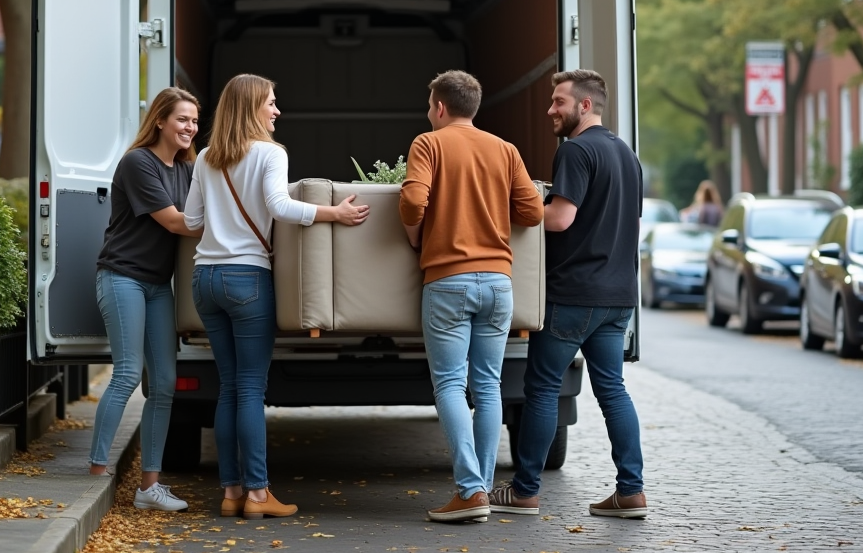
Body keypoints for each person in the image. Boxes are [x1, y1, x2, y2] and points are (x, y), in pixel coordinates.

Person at [184, 74, 370, 520]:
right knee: (250, 388)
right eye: (270, 103)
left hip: (204, 279)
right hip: (246, 278)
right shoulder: (270, 153)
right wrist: (334, 213)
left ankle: (231, 492)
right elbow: (279, 206)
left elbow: (192, 221)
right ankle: (259, 494)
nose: (276, 111)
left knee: (228, 387)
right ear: (251, 108)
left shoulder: (207, 157)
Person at [489, 69, 648, 519]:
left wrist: (512, 210)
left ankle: (524, 491)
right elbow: (632, 227)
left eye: (558, 101)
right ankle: (631, 491)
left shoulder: (576, 151)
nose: (550, 110)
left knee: (541, 389)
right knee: (613, 390)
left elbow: (560, 219)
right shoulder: (626, 155)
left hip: (573, 294)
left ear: (584, 105)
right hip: (618, 296)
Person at [399, 71, 544, 523]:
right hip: (499, 283)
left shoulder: (429, 143)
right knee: (487, 385)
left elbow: (411, 202)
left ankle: (470, 492)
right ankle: (478, 488)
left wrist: (416, 237)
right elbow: (533, 212)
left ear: (440, 107)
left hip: (448, 281)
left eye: (430, 105)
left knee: (449, 384)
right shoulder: (505, 150)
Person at [89, 87, 203, 513]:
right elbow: (176, 222)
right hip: (122, 277)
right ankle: (97, 472)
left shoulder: (188, 169)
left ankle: (148, 487)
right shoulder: (139, 163)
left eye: (194, 120)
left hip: (158, 284)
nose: (190, 127)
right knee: (126, 373)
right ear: (160, 121)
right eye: (182, 119)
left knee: (167, 382)